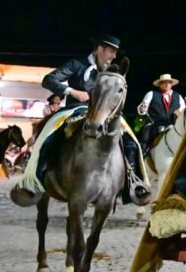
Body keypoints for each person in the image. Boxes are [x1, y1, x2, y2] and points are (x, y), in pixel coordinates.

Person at [15, 35, 150, 203]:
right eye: (112, 51)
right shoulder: (77, 64)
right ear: (100, 48)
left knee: (131, 141)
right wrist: (72, 92)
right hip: (76, 109)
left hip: (105, 113)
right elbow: (48, 80)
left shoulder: (110, 71)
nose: (114, 56)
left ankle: (132, 183)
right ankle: (35, 179)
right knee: (48, 134)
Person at [137, 73, 186, 152]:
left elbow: (184, 109)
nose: (167, 84)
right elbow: (141, 109)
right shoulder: (151, 94)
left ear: (171, 84)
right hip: (155, 125)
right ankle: (143, 153)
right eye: (164, 82)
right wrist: (142, 110)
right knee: (145, 137)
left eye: (169, 82)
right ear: (160, 84)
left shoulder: (178, 96)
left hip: (173, 125)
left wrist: (179, 112)